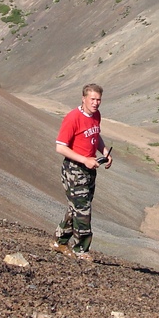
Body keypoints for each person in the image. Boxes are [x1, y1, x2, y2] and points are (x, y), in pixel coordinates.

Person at [51, 83, 112, 261]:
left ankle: (59, 241)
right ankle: (81, 250)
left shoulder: (96, 115)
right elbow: (60, 147)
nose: (95, 103)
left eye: (98, 100)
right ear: (83, 98)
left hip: (90, 169)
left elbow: (95, 135)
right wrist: (84, 159)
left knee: (76, 208)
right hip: (74, 170)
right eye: (92, 99)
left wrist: (105, 152)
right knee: (83, 211)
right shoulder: (73, 118)